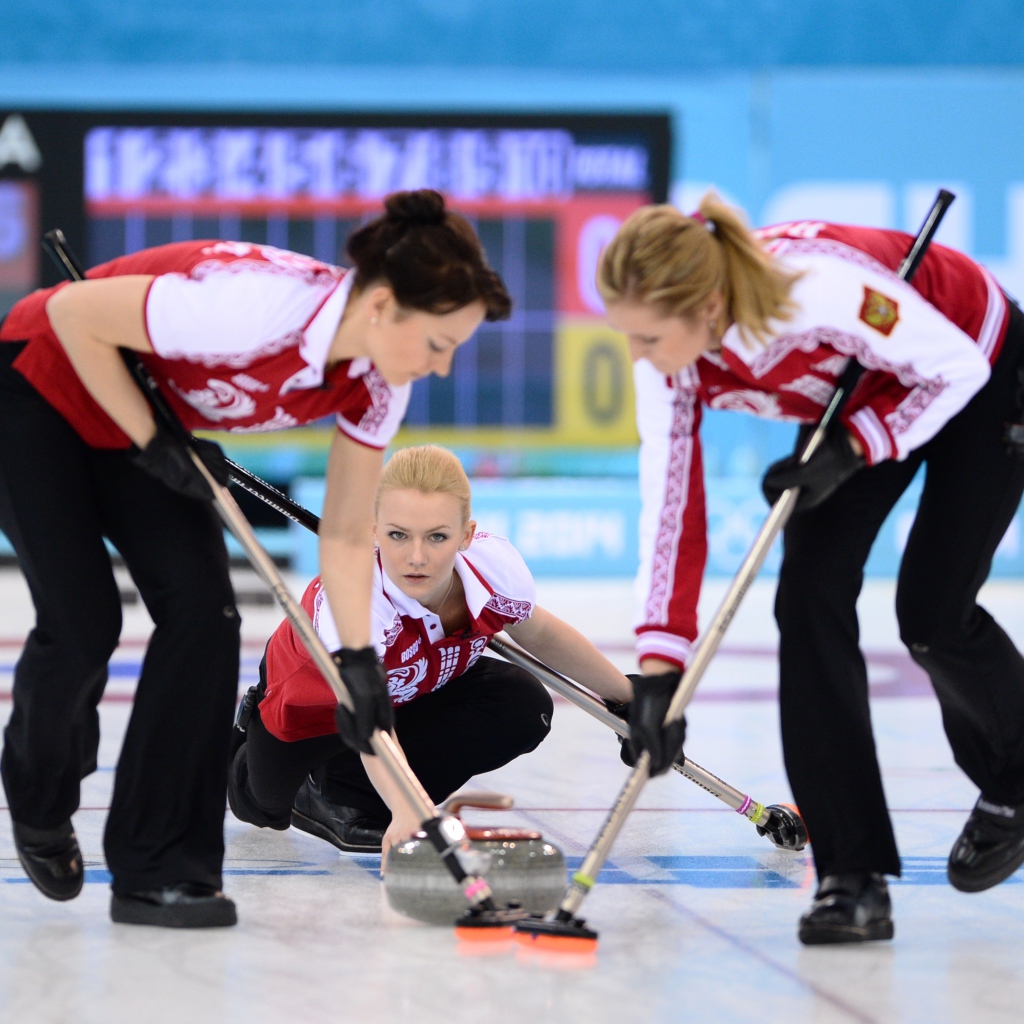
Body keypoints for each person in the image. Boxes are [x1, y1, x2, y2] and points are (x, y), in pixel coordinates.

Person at [0, 189, 511, 927]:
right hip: (42, 385)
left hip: (147, 418)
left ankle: (161, 867)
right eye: (438, 344)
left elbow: (342, 534)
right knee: (84, 619)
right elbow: (69, 316)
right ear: (382, 307)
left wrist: (357, 662)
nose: (439, 368)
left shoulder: (376, 383)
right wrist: (152, 441)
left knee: (206, 616)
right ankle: (39, 794)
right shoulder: (256, 306)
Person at [596, 195, 1024, 945]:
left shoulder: (814, 290)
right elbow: (671, 514)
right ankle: (851, 876)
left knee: (931, 611)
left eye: (648, 335)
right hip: (861, 392)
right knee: (806, 596)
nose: (636, 353)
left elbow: (952, 367)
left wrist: (856, 447)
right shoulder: (670, 367)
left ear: (710, 305)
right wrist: (661, 674)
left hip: (981, 366)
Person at [228, 444, 636, 862]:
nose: (416, 558)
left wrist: (629, 698)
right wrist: (408, 810)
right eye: (398, 535)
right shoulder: (354, 599)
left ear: (467, 535)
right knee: (263, 805)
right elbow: (366, 717)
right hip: (314, 713)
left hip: (410, 691)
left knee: (522, 703)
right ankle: (251, 750)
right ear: (373, 530)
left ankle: (340, 791)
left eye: (437, 537)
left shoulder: (493, 566)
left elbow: (541, 633)